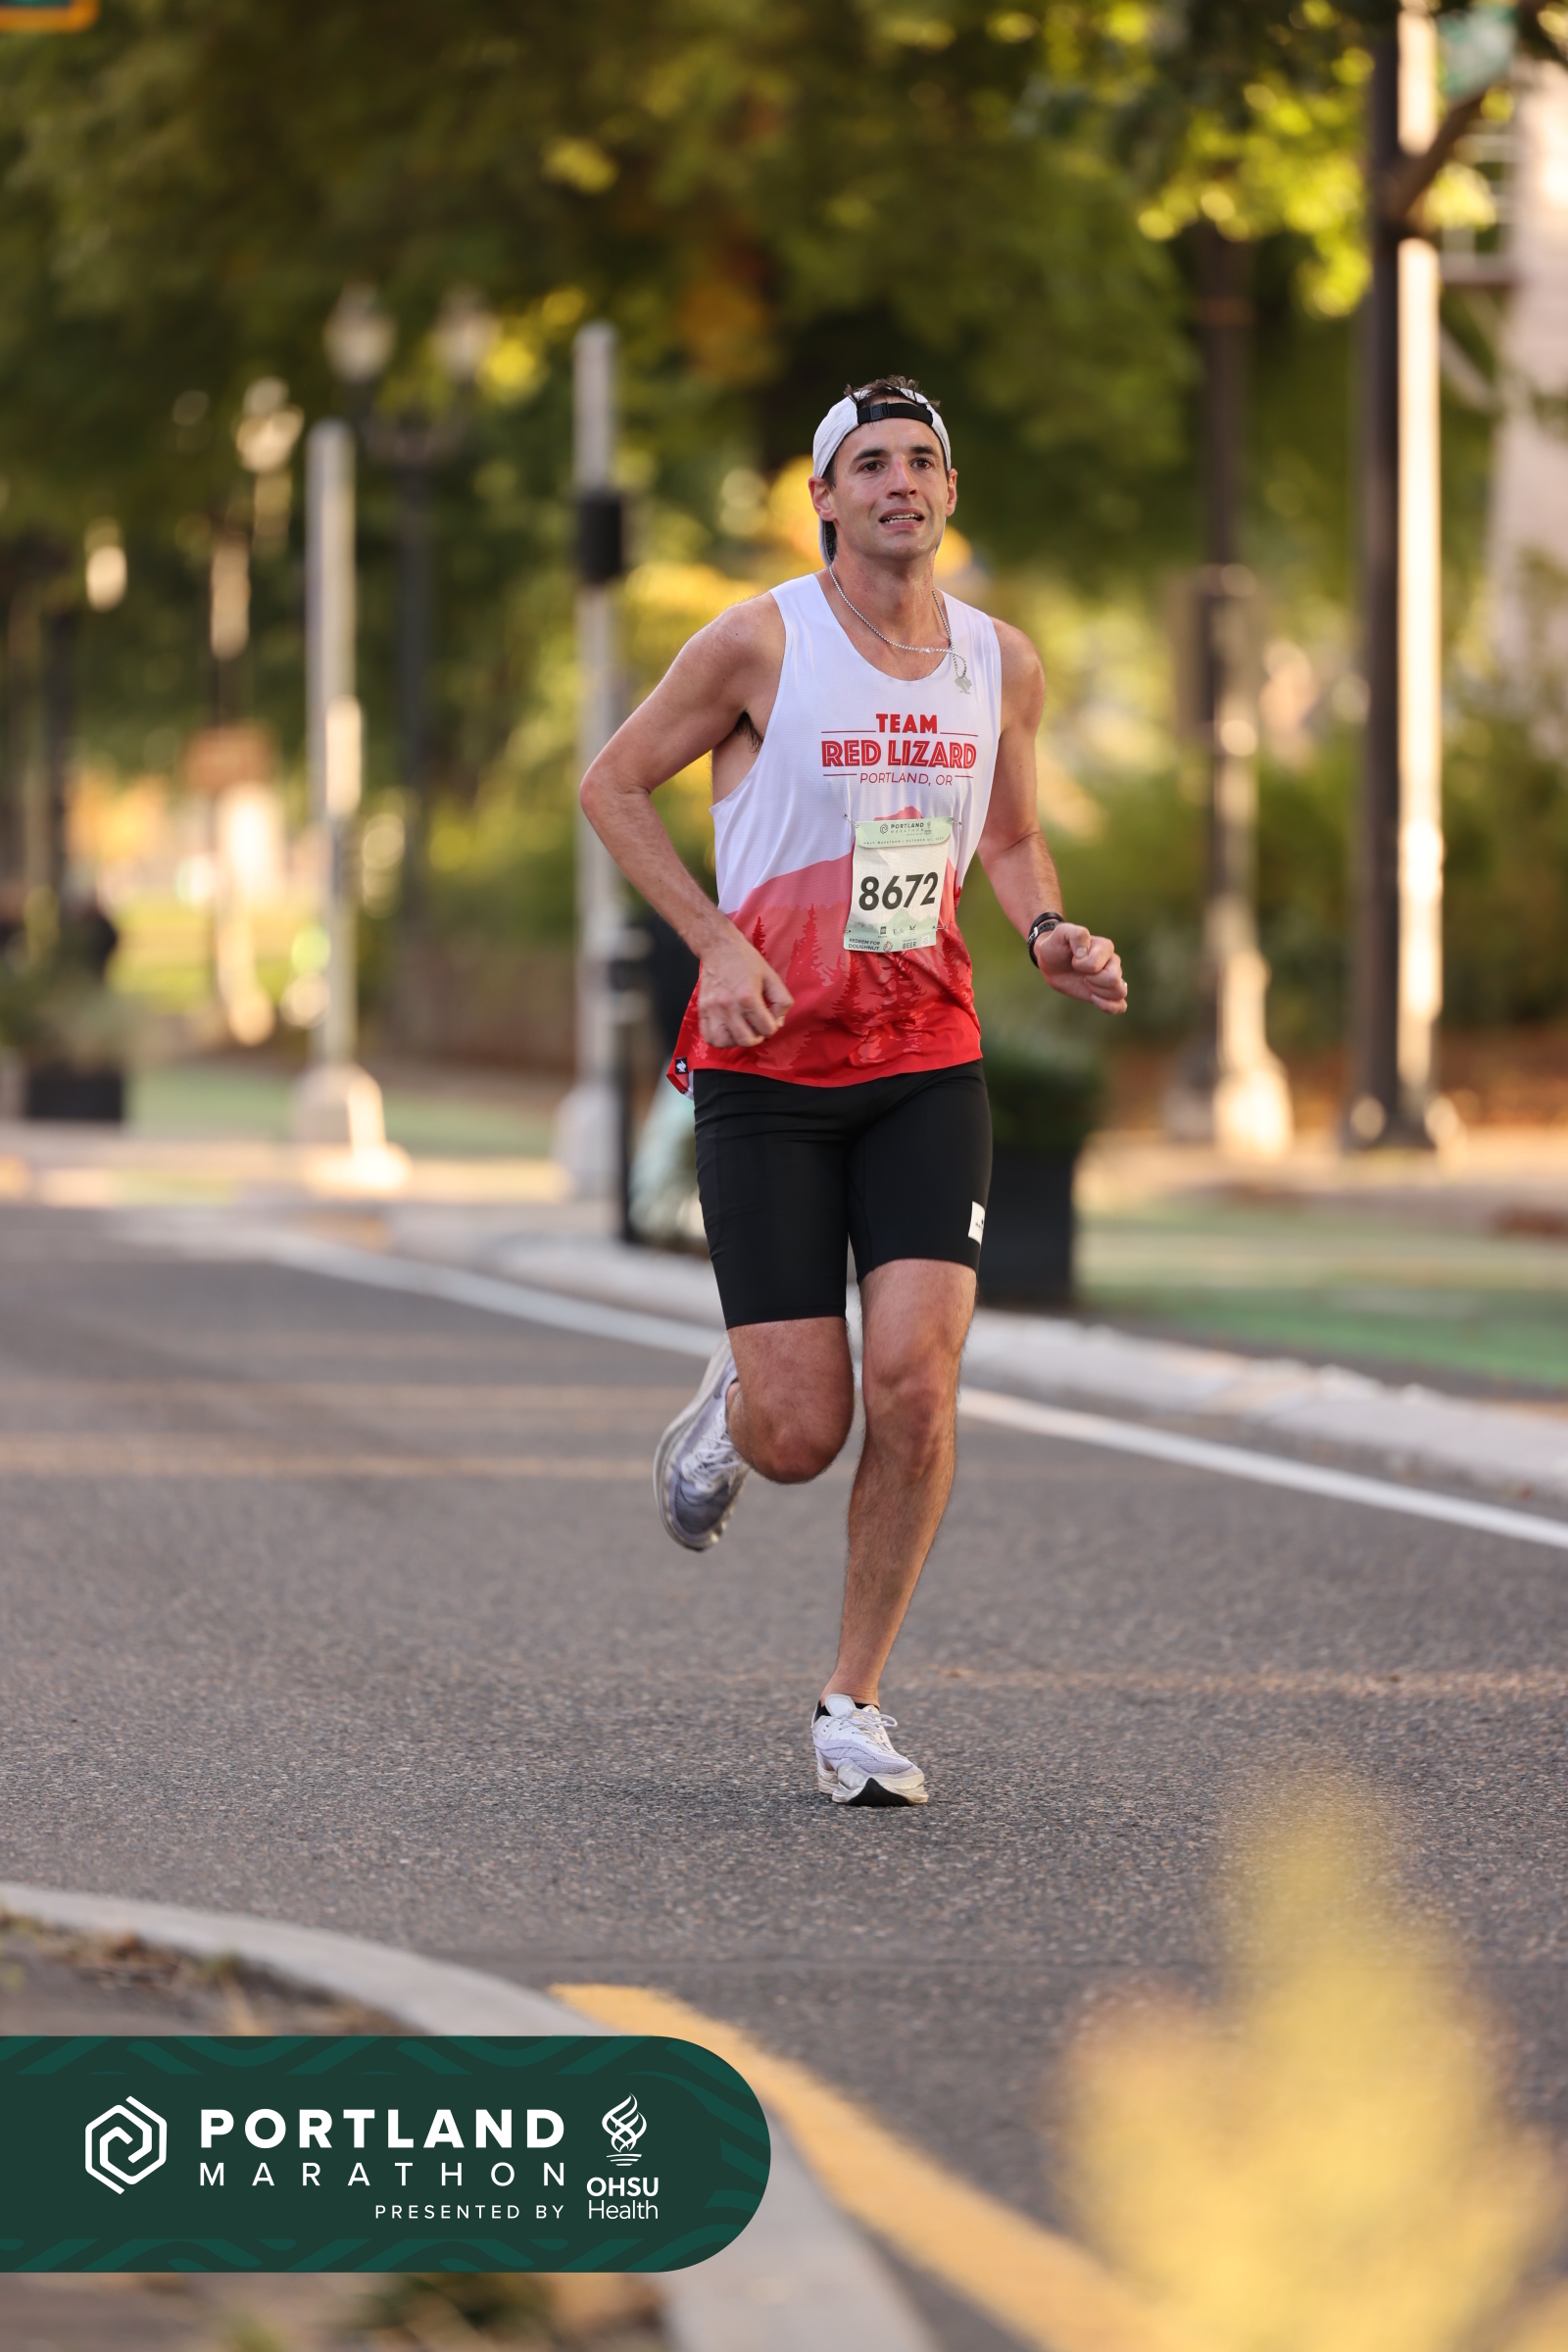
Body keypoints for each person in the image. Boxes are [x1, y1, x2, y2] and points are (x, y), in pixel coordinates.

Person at [580, 376, 1126, 1807]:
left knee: (918, 1385)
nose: (900, 482)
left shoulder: (1000, 661)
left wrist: (1048, 931)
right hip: (766, 1069)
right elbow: (613, 786)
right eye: (869, 463)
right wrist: (716, 942)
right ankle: (735, 1413)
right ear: (824, 498)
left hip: (924, 1061)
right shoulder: (761, 641)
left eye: (922, 460)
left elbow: (1010, 838)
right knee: (805, 1431)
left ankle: (854, 1705)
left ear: (949, 491)